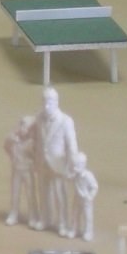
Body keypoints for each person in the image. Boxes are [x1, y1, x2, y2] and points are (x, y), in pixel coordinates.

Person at [34, 87, 89, 239]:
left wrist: (73, 164)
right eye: (44, 101)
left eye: (50, 102)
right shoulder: (39, 117)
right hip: (43, 162)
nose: (47, 105)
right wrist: (36, 158)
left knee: (60, 195)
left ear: (57, 102)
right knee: (43, 193)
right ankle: (45, 219)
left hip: (58, 163)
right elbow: (37, 140)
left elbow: (71, 144)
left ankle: (63, 223)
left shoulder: (65, 121)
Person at [4, 113, 41, 229]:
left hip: (27, 171)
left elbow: (37, 156)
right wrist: (11, 144)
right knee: (15, 193)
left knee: (30, 194)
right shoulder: (13, 139)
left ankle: (33, 215)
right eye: (22, 126)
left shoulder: (32, 143)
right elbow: (6, 147)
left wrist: (34, 164)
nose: (23, 129)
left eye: (26, 128)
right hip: (16, 170)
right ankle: (13, 213)